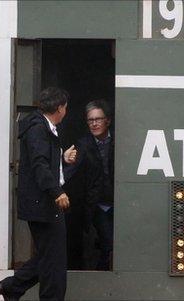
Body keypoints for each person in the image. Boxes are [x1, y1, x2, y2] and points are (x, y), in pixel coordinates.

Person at [0, 87, 77, 301]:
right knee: (54, 262)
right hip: (45, 203)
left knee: (49, 257)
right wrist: (56, 191)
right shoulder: (39, 130)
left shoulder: (42, 127)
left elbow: (42, 161)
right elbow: (39, 164)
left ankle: (12, 286)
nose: (66, 111)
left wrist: (61, 159)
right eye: (65, 107)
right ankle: (18, 288)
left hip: (42, 202)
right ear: (59, 108)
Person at [66, 99, 114, 271]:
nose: (94, 124)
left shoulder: (119, 140)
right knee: (106, 243)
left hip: (122, 203)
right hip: (99, 205)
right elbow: (70, 171)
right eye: (90, 120)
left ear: (107, 120)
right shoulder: (83, 144)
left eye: (98, 119)